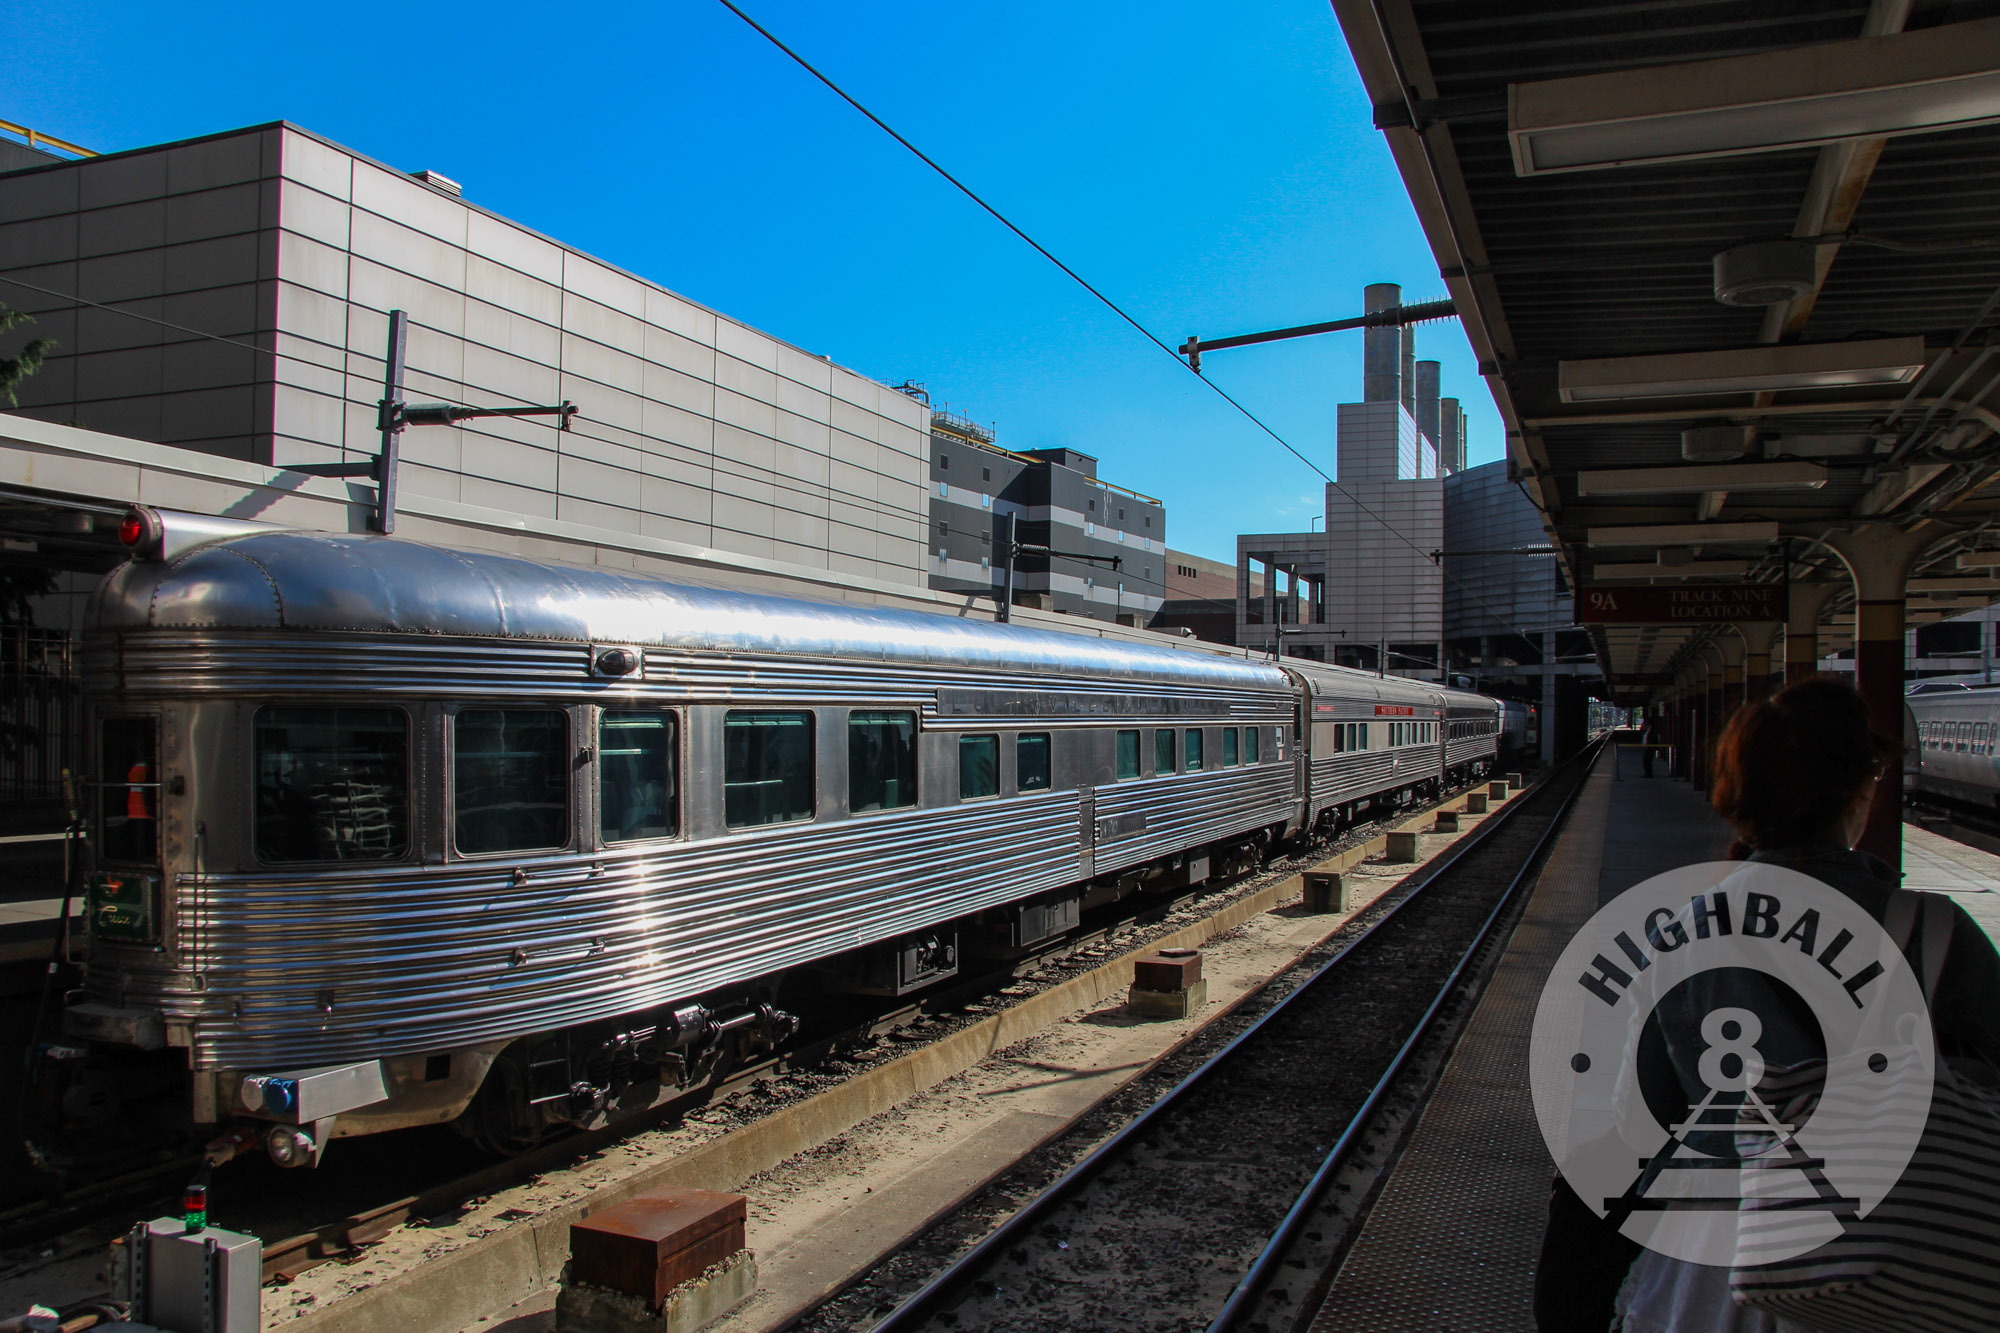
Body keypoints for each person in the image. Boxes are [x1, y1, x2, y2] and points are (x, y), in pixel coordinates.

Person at [1604, 675, 2000, 1332]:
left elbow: (1636, 1118)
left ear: (1740, 794)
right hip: (1905, 1262)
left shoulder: (1681, 932)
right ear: (1861, 790)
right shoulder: (1935, 930)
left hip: (1715, 1267)